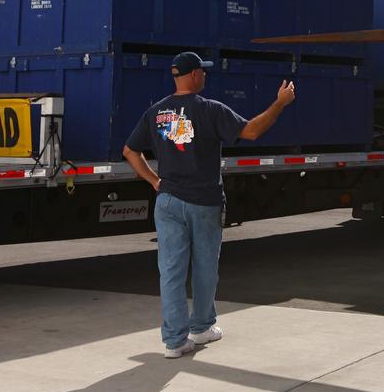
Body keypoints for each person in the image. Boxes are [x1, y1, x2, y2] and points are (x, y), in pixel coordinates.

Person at [123, 51, 296, 358]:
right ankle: (202, 327)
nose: (205, 75)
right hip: (203, 202)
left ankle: (175, 342)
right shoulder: (210, 110)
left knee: (171, 272)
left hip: (168, 201)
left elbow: (130, 151)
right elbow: (252, 131)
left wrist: (154, 181)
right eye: (202, 71)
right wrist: (280, 104)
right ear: (193, 75)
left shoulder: (156, 112)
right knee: (204, 268)